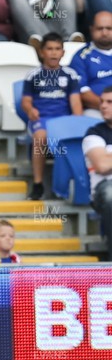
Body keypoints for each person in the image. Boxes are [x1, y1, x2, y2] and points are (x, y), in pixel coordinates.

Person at [22, 32, 83, 200]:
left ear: (63, 52)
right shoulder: (33, 75)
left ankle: (70, 185)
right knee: (40, 138)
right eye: (49, 49)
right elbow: (25, 101)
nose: (54, 52)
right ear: (42, 52)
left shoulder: (70, 75)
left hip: (63, 121)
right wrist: (30, 110)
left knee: (74, 140)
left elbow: (76, 102)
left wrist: (78, 124)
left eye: (58, 49)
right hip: (41, 120)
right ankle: (38, 184)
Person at [83, 85, 112, 261]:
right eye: (102, 101)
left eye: (109, 102)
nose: (103, 106)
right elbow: (101, 166)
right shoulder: (94, 133)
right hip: (104, 189)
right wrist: (105, 159)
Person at [70, 11, 112, 118]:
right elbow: (83, 94)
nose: (104, 33)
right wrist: (107, 107)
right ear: (91, 29)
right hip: (97, 110)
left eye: (109, 28)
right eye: (100, 28)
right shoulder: (81, 57)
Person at [7, 0, 84, 47]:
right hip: (34, 36)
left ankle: (70, 43)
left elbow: (80, 9)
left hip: (59, 30)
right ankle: (44, 45)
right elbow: (36, 14)